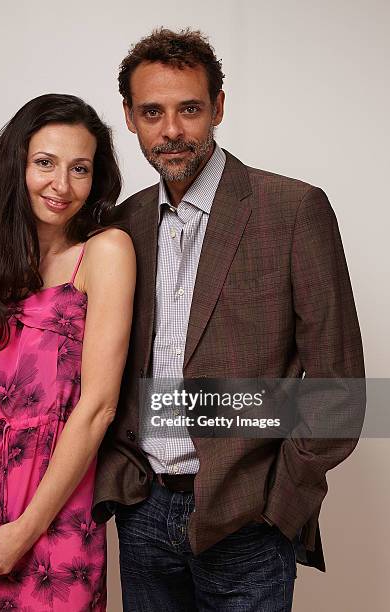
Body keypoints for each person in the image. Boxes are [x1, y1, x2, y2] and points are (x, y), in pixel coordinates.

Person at [92, 28, 365, 611]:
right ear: (130, 117)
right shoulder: (123, 224)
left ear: (217, 106)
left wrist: (277, 504)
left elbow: (339, 393)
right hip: (142, 516)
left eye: (189, 108)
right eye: (152, 112)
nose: (171, 130)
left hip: (246, 518)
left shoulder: (294, 210)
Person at [0, 93, 135, 611]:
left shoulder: (104, 253)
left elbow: (97, 409)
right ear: (15, 165)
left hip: (53, 524)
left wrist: (25, 530)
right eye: (44, 163)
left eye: (79, 169)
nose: (61, 185)